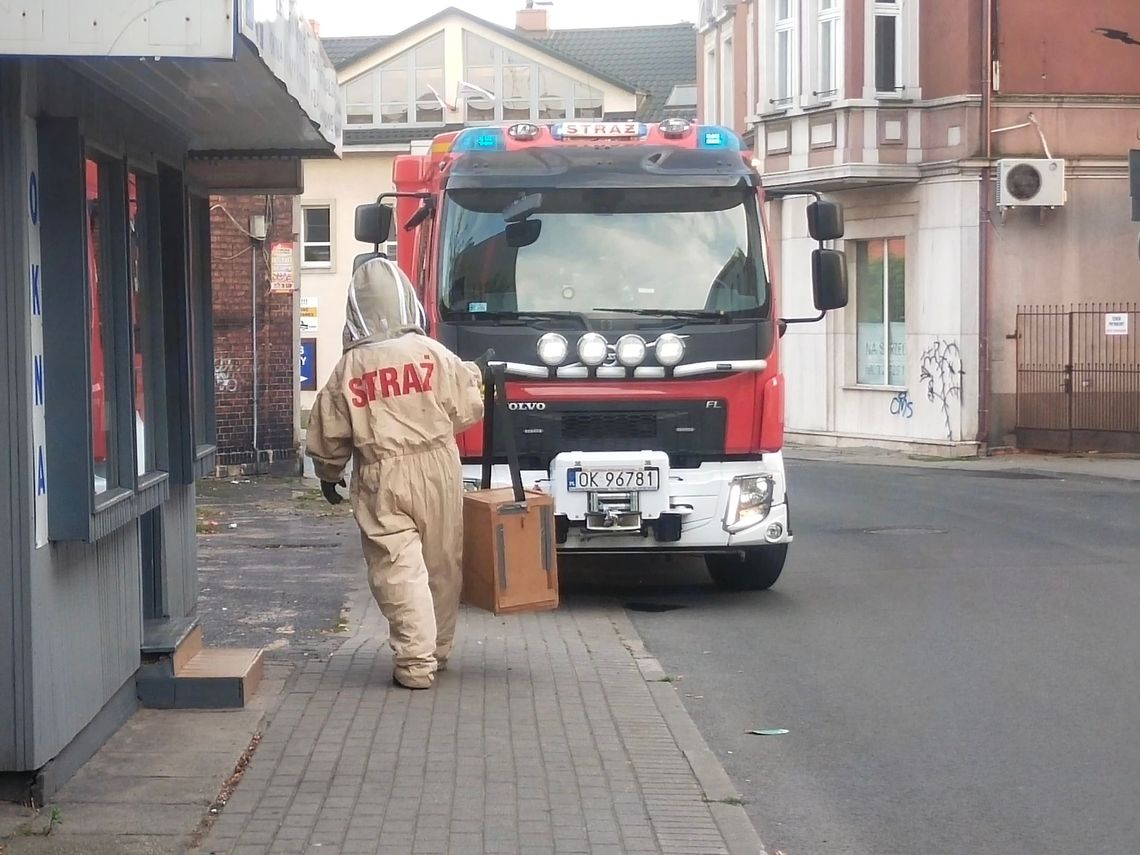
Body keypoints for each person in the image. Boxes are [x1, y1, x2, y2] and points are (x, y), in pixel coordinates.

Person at [306, 257, 491, 690]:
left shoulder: (349, 369)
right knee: (443, 562)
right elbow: (467, 408)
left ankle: (414, 663)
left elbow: (329, 430)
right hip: (438, 466)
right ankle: (436, 652)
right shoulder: (431, 353)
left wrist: (328, 473)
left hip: (380, 473)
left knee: (396, 566)